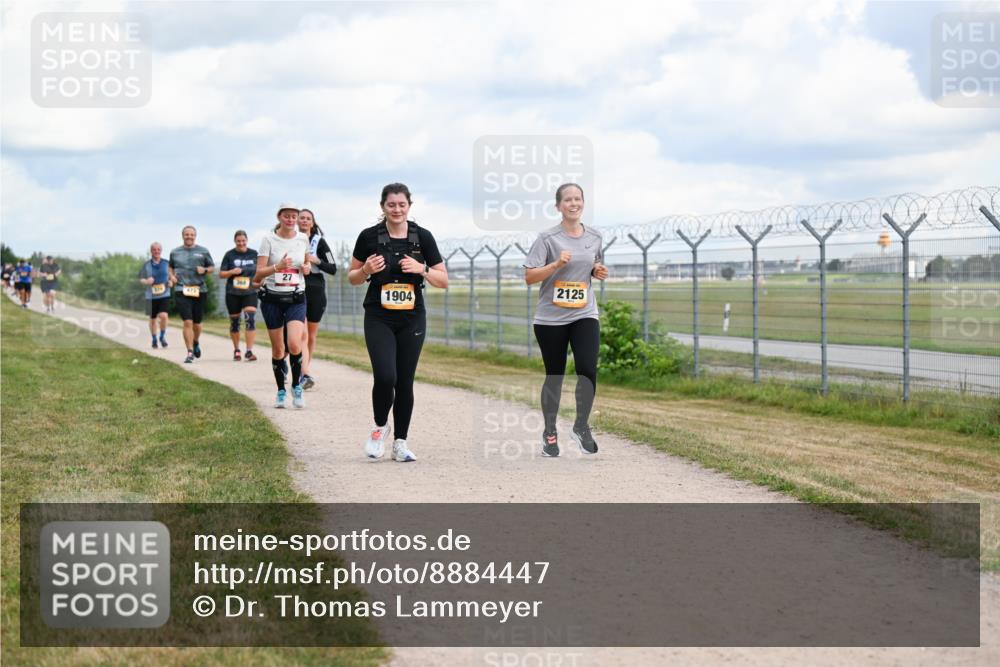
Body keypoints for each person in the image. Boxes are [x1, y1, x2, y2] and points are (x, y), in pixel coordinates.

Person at [348, 183, 447, 462]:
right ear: (382, 207)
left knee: (404, 381)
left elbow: (443, 280)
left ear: (409, 206)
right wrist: (365, 269)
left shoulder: (423, 237)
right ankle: (380, 428)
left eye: (401, 204)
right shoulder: (368, 237)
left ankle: (400, 442)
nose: (396, 209)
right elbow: (352, 277)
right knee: (385, 375)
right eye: (391, 205)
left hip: (412, 317)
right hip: (379, 315)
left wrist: (422, 269)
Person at [523, 183, 608, 457]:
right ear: (558, 206)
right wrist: (556, 265)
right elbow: (529, 277)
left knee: (587, 368)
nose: (574, 203)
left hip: (584, 312)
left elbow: (590, 265)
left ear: (583, 203)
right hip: (550, 319)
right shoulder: (547, 238)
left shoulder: (595, 236)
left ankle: (581, 426)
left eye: (578, 199)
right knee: (555, 375)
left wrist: (597, 270)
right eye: (568, 200)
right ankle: (549, 432)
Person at [256, 203, 311, 409]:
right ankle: (280, 390)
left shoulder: (302, 239)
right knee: (279, 349)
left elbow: (305, 264)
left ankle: (296, 387)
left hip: (296, 297)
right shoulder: (268, 239)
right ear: (279, 217)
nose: (290, 219)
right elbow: (258, 273)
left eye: (293, 216)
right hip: (272, 299)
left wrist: (306, 268)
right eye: (286, 216)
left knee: (295, 344)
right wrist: (276, 267)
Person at [297, 209, 337, 389]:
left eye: (308, 219)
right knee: (302, 334)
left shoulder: (319, 242)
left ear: (312, 223)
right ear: (296, 221)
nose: (304, 221)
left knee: (311, 336)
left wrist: (316, 260)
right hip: (297, 289)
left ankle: (305, 368)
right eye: (302, 218)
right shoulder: (290, 240)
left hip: (316, 290)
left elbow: (333, 268)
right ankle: (304, 373)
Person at [168, 226, 215, 363]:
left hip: (199, 290)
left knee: (197, 323)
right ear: (182, 235)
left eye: (192, 234)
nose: (189, 236)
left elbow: (212, 268)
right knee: (187, 321)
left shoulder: (203, 251)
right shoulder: (175, 252)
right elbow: (170, 267)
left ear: (195, 236)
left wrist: (205, 269)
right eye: (187, 234)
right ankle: (189, 352)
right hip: (181, 289)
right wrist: (171, 276)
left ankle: (195, 341)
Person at [219, 230, 259, 362]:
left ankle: (249, 351)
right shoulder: (229, 255)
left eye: (243, 241)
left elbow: (260, 270)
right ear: (235, 241)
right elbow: (221, 274)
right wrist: (231, 271)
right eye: (238, 241)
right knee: (235, 323)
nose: (241, 243)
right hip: (233, 293)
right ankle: (236, 350)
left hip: (250, 292)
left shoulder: (254, 254)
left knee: (250, 319)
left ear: (247, 240)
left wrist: (260, 282)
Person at [138, 242, 172, 348]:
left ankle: (162, 336)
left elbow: (173, 276)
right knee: (152, 319)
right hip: (151, 296)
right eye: (154, 249)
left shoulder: (167, 263)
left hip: (164, 294)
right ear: (151, 251)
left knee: (164, 316)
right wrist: (146, 281)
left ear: (161, 251)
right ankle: (154, 339)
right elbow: (141, 279)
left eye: (158, 249)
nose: (156, 251)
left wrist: (171, 282)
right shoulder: (146, 265)